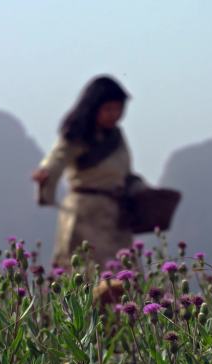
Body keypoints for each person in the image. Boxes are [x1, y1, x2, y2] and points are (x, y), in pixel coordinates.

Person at [32, 75, 144, 268]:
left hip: (115, 214)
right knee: (84, 273)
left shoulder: (117, 137)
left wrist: (143, 190)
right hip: (84, 214)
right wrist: (44, 175)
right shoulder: (77, 134)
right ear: (94, 107)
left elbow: (124, 173)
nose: (114, 115)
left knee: (122, 275)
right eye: (108, 109)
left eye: (118, 109)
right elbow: (56, 159)